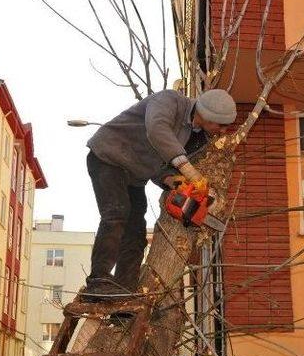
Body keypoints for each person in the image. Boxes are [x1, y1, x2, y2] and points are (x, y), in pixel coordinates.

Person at [84, 89, 237, 302]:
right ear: (207, 115)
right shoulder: (169, 101)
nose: (221, 131)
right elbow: (156, 130)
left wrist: (173, 181)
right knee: (116, 214)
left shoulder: (197, 139)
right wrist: (189, 171)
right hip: (109, 157)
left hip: (135, 176)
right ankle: (98, 282)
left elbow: (162, 166)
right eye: (220, 125)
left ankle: (123, 293)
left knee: (136, 233)